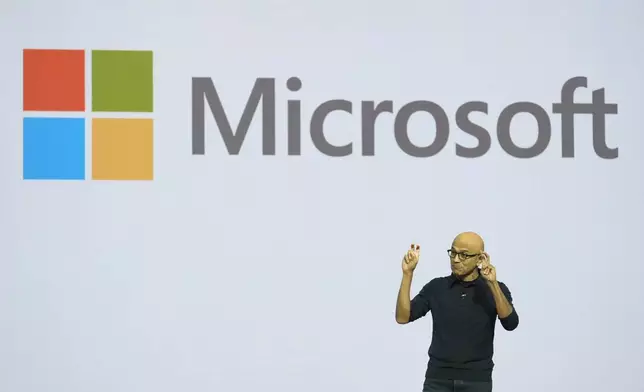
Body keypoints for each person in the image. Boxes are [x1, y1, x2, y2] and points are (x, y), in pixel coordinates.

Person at [395, 232, 519, 392]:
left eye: (464, 255)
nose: (456, 259)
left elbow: (510, 323)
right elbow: (402, 317)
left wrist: (492, 284)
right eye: (453, 252)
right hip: (437, 379)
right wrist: (407, 274)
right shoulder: (436, 287)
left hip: (477, 381)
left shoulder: (496, 289)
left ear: (480, 258)